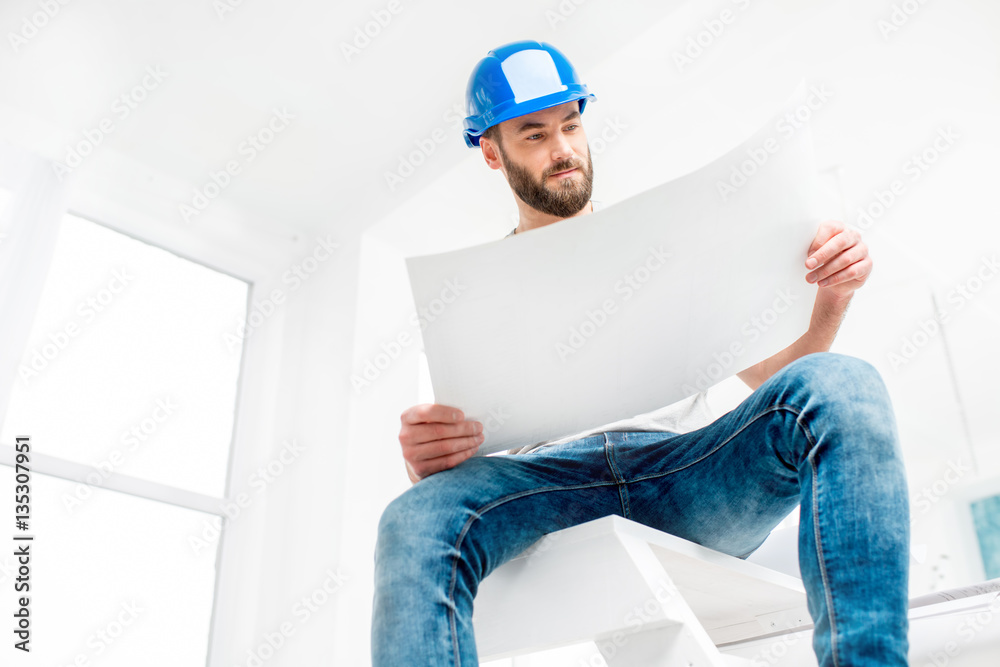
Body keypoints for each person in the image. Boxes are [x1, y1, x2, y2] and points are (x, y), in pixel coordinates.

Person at [372, 40, 909, 667]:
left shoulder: (670, 245)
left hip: (688, 472)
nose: (563, 149)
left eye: (571, 124)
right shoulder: (465, 304)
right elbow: (446, 464)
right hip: (544, 489)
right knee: (412, 517)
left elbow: (783, 381)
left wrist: (833, 299)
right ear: (492, 152)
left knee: (842, 383)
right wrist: (424, 462)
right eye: (535, 135)